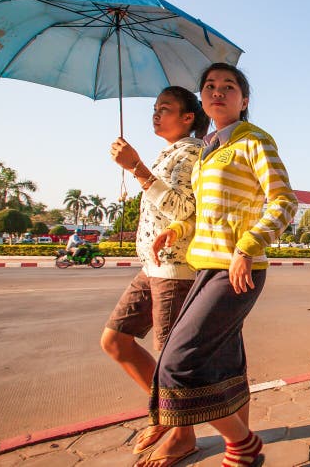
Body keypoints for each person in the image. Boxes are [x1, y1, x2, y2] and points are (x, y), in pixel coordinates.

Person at [149, 63, 297, 467]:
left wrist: (248, 248)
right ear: (202, 98)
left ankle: (244, 443)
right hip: (207, 268)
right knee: (224, 363)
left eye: (228, 86)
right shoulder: (205, 153)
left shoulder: (254, 141)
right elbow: (207, 214)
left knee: (177, 361)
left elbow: (285, 202)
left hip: (239, 269)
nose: (218, 91)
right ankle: (237, 450)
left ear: (243, 100)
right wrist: (178, 230)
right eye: (210, 86)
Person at [101, 86, 209, 461]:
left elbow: (185, 211)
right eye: (154, 108)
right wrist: (138, 169)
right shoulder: (169, 154)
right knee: (115, 340)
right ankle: (164, 412)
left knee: (170, 360)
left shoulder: (194, 153)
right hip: (151, 267)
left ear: (188, 118)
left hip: (175, 269)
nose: (156, 114)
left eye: (165, 109)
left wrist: (138, 169)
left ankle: (184, 435)